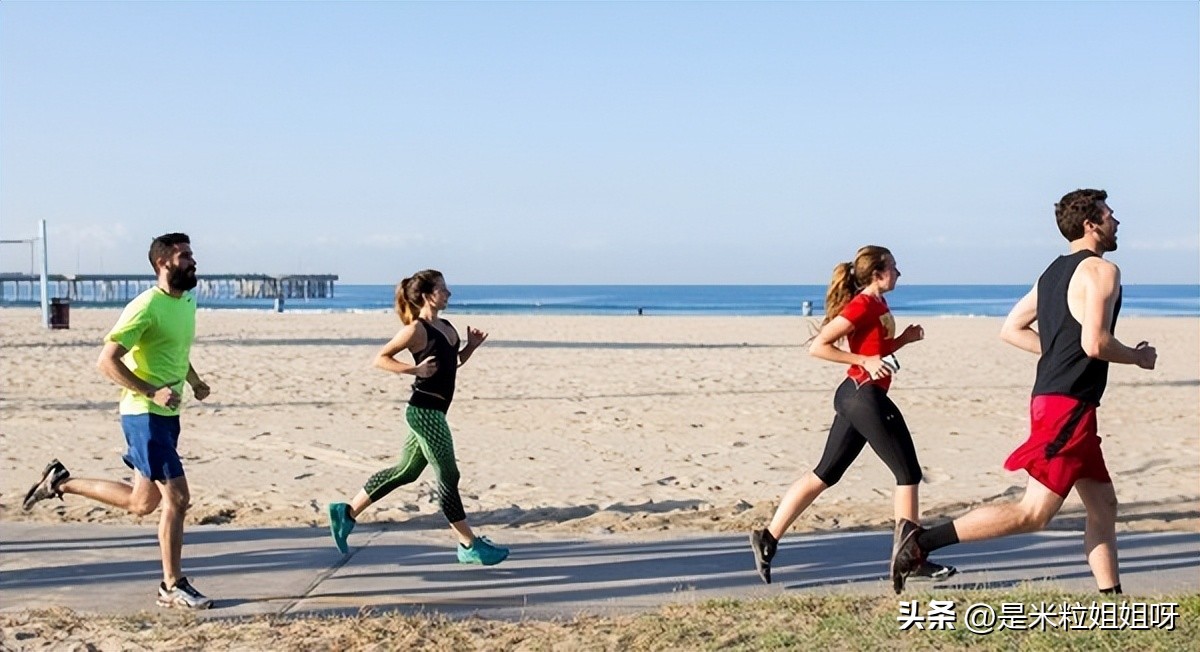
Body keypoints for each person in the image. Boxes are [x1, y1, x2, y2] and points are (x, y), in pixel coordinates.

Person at [891, 189, 1156, 595]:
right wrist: (1137, 357)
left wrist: (1057, 355)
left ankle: (1111, 601)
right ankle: (919, 544)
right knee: (1033, 513)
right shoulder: (1103, 271)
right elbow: (1095, 344)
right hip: (1067, 406)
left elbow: (1011, 329)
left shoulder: (1052, 273)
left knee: (1103, 505)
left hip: (1057, 400)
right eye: (1110, 214)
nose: (1116, 222)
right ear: (1091, 224)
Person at [22, 232, 214, 610]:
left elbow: (174, 351)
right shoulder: (144, 307)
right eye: (185, 256)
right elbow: (106, 361)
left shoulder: (187, 300)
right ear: (163, 263)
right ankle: (171, 585)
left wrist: (194, 381)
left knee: (142, 502)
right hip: (144, 416)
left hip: (167, 415)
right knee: (178, 497)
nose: (193, 262)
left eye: (192, 254)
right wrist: (150, 391)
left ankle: (61, 482)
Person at [749, 246, 955, 585]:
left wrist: (902, 340)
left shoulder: (877, 303)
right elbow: (820, 347)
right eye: (894, 267)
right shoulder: (862, 304)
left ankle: (767, 537)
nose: (899, 273)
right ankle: (911, 559)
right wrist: (863, 362)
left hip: (856, 396)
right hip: (863, 397)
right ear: (877, 273)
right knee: (908, 473)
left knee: (825, 474)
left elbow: (872, 349)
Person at [327, 269, 508, 565]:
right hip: (424, 412)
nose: (448, 293)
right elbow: (381, 359)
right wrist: (413, 370)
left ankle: (346, 512)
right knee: (449, 476)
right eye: (442, 289)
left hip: (436, 411)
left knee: (406, 471)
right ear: (427, 296)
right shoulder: (416, 330)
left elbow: (452, 363)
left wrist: (470, 348)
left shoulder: (448, 327)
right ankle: (468, 544)